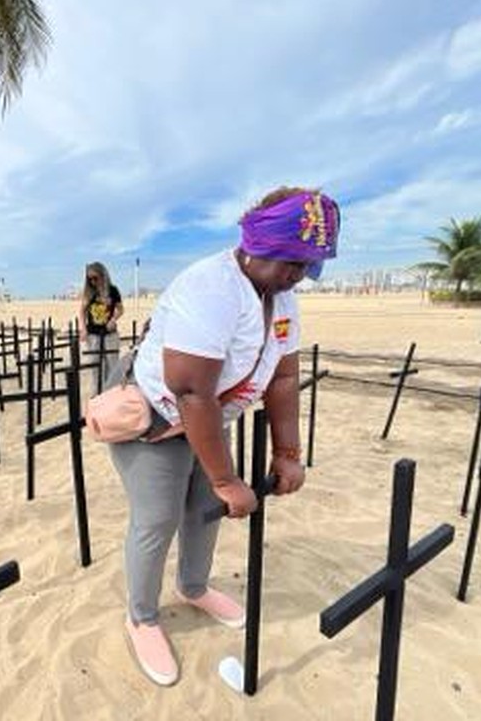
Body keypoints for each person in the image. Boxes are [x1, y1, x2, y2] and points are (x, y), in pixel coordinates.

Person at [109, 187, 340, 686]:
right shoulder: (210, 288)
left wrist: (287, 452)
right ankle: (142, 616)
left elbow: (281, 377)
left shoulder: (282, 299)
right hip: (157, 414)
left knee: (204, 511)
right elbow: (191, 392)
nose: (298, 274)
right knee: (158, 517)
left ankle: (193, 586)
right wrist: (226, 478)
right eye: (291, 261)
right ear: (259, 244)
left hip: (211, 416)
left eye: (308, 264)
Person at [78, 261, 124, 391]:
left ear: (103, 275)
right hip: (93, 335)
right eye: (89, 279)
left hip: (110, 334)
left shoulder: (113, 290)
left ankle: (111, 394)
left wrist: (114, 319)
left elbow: (120, 309)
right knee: (95, 366)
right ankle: (97, 394)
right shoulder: (89, 292)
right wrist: (83, 328)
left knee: (112, 366)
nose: (93, 281)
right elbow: (82, 312)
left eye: (95, 278)